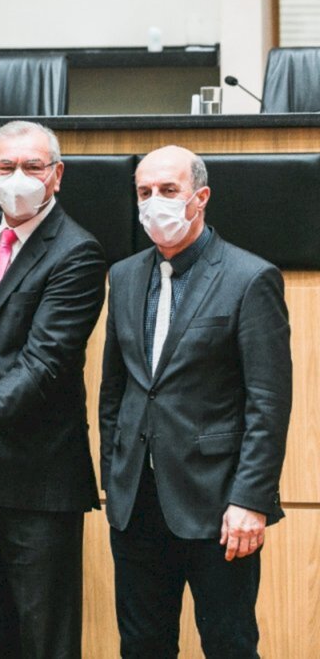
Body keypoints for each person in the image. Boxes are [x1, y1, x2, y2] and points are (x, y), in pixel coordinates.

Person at [99, 145, 291, 658]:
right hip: (136, 502)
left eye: (168, 190)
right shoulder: (124, 275)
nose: (154, 202)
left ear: (200, 197)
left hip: (218, 507)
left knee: (228, 645)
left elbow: (268, 404)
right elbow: (114, 390)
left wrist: (251, 500)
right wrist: (112, 477)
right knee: (141, 646)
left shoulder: (250, 278)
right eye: (144, 192)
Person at [0, 120, 107, 658]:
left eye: (33, 167)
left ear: (57, 176)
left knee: (44, 639)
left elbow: (43, 364)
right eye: (6, 167)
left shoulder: (77, 252)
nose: (19, 178)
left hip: (39, 480)